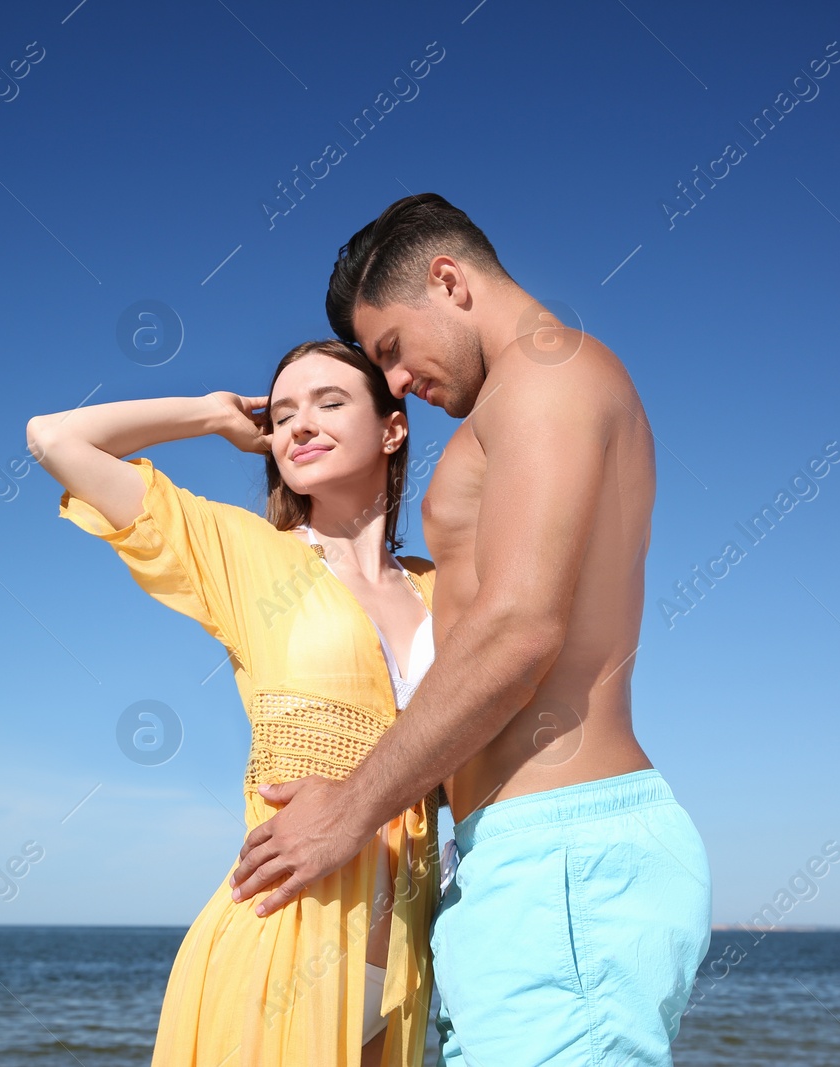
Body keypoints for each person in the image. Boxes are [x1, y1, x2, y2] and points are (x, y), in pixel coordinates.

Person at [230, 194, 713, 1066]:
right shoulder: (526, 396)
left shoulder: (549, 372)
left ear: (447, 281)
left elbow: (519, 627)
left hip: (563, 853)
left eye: (392, 350)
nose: (400, 381)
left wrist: (351, 809)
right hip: (521, 857)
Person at [26, 339, 444, 1067]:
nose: (299, 425)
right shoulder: (248, 553)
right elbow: (55, 437)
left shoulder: (444, 587)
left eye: (330, 402)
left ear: (393, 428)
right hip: (280, 937)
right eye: (282, 415)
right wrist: (211, 414)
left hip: (401, 955)